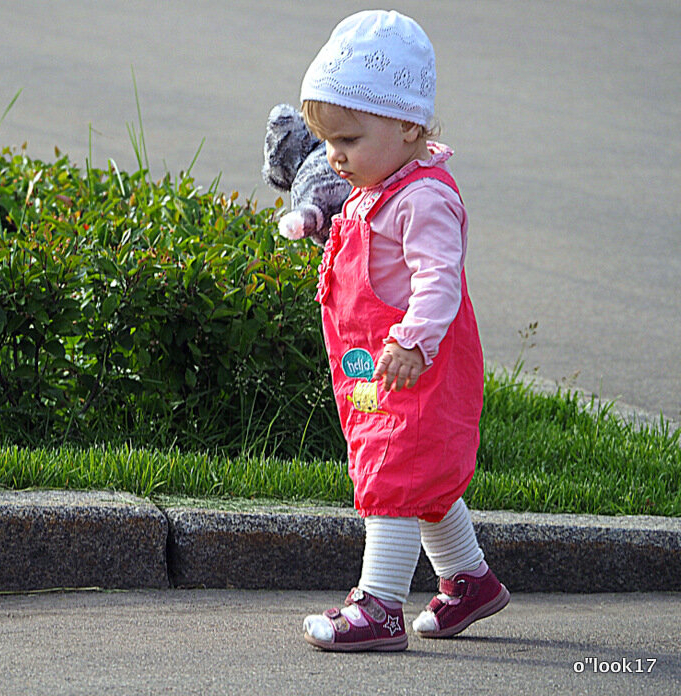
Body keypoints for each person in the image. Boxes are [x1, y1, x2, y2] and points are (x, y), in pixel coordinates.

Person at [294, 10, 510, 652]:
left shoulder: (423, 199)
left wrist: (414, 339)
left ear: (410, 125)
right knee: (422, 480)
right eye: (328, 142)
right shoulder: (377, 185)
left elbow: (439, 278)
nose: (336, 157)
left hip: (415, 366)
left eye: (349, 141)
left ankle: (379, 606)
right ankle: (469, 581)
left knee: (392, 475)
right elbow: (361, 240)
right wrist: (318, 223)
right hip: (370, 370)